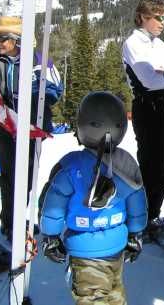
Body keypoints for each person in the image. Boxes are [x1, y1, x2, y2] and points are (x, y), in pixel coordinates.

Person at [40, 92, 147, 305]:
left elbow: (53, 205)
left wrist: (50, 236)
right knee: (114, 291)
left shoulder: (70, 166)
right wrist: (136, 233)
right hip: (116, 246)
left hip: (84, 249)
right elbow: (138, 204)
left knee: (93, 298)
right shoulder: (126, 165)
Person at [0, 16, 63, 240]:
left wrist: (37, 93)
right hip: (5, 129)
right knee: (9, 176)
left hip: (31, 128)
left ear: (16, 40)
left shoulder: (39, 61)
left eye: (3, 39)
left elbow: (55, 89)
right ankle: (10, 223)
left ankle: (17, 219)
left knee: (27, 175)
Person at [122, 0, 164, 229]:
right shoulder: (133, 43)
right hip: (147, 106)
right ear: (142, 18)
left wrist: (163, 71)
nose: (163, 22)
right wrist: (162, 72)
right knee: (152, 164)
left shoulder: (158, 44)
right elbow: (148, 80)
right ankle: (145, 219)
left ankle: (153, 214)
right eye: (158, 17)